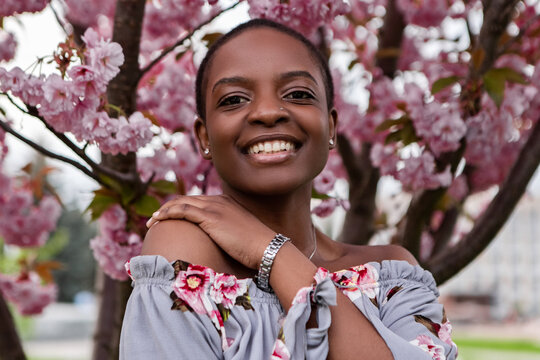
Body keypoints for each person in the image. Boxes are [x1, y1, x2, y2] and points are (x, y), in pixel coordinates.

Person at [120, 19, 458, 360]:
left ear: (331, 126)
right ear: (204, 137)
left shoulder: (393, 274)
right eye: (234, 99)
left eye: (298, 94)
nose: (268, 113)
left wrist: (272, 252)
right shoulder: (185, 255)